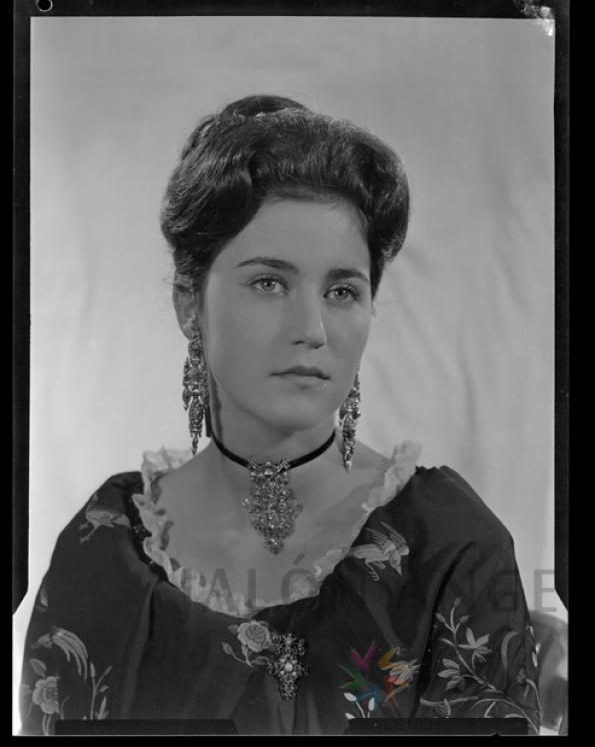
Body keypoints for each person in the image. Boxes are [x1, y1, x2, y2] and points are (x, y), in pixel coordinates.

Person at [19, 95, 541, 736]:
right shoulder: (105, 546)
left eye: (342, 291)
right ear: (189, 305)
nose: (312, 329)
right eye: (269, 282)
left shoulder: (450, 546)